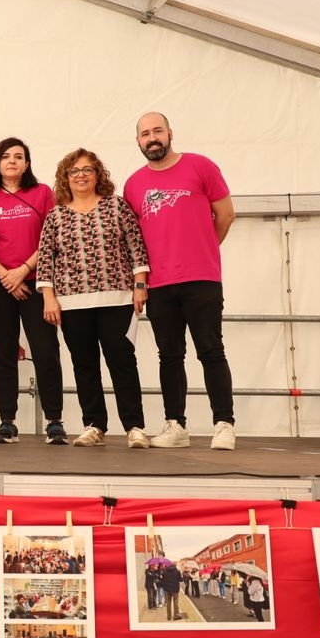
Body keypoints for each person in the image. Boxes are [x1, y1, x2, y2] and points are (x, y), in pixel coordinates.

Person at [125, 112, 237, 450]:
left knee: (211, 350)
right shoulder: (133, 184)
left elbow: (226, 214)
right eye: (145, 133)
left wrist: (202, 249)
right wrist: (141, 283)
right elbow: (134, 240)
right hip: (159, 284)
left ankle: (224, 424)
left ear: (170, 133)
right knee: (169, 355)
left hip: (201, 278)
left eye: (158, 130)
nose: (152, 138)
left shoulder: (201, 166)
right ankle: (176, 425)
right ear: (138, 141)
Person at [36, 148, 150, 448]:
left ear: (98, 174)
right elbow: (46, 259)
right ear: (65, 178)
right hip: (72, 304)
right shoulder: (56, 215)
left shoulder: (117, 207)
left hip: (118, 298)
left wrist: (140, 285)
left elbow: (136, 247)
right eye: (74, 171)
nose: (81, 175)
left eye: (87, 169)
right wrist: (49, 297)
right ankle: (94, 425)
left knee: (122, 362)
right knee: (84, 365)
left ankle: (135, 426)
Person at [0, 137, 66, 445]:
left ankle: (55, 420)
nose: (12, 161)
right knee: (3, 353)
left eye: (19, 157)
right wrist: (5, 276)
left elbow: (51, 238)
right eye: (6, 156)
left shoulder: (42, 193)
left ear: (27, 164)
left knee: (45, 350)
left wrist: (22, 271)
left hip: (36, 281)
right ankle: (7, 421)